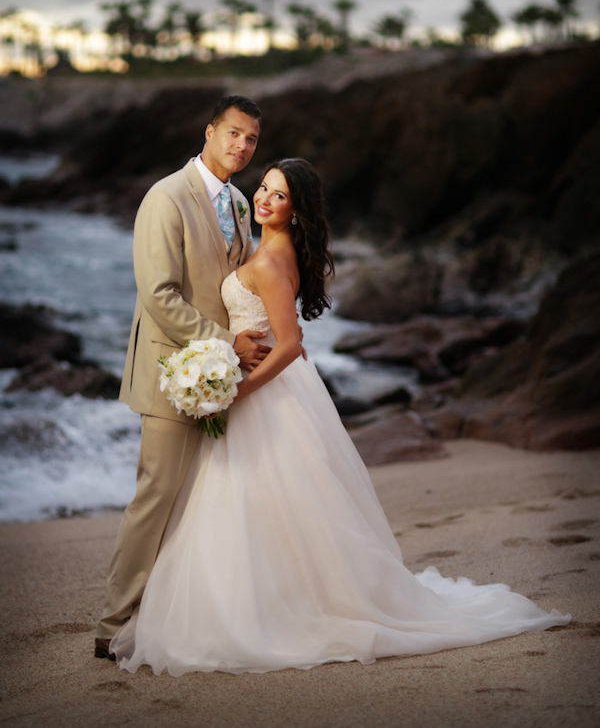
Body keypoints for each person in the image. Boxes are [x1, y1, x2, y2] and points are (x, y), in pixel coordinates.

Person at [109, 157, 570, 675]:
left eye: (279, 195)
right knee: (270, 504)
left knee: (265, 500)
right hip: (269, 388)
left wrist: (238, 391)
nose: (263, 199)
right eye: (264, 188)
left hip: (266, 393)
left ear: (297, 211)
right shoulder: (268, 248)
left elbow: (289, 344)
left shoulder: (269, 261)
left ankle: (279, 608)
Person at [95, 95, 271, 659]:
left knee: (204, 497)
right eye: (234, 134)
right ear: (209, 131)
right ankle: (113, 622)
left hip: (224, 378)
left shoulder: (241, 204)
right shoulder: (165, 197)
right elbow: (159, 294)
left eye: (252, 140)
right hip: (174, 371)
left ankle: (179, 612)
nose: (242, 146)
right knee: (158, 493)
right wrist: (225, 344)